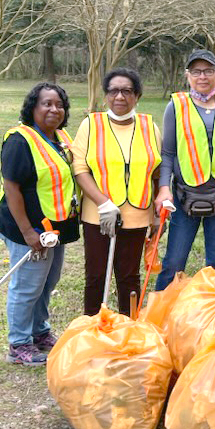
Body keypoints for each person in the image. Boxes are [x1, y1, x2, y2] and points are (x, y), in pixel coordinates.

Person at [0, 82, 80, 366]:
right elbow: (12, 188)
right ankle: (18, 344)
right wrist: (28, 232)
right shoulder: (20, 139)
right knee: (28, 285)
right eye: (46, 103)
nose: (54, 109)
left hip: (55, 229)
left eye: (59, 104)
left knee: (47, 281)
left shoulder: (61, 137)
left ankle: (39, 332)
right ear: (33, 107)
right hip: (28, 229)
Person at [154, 50, 215, 291]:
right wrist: (164, 189)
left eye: (208, 71)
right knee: (174, 260)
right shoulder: (176, 106)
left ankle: (214, 317)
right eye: (196, 71)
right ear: (187, 75)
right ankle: (160, 316)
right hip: (184, 193)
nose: (203, 76)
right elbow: (168, 153)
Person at [71, 68, 162, 316]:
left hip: (138, 216)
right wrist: (103, 203)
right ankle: (92, 329)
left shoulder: (150, 127)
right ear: (106, 95)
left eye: (126, 91)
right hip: (98, 216)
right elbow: (79, 169)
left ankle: (128, 329)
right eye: (113, 91)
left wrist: (155, 213)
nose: (119, 96)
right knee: (96, 276)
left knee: (129, 277)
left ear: (137, 96)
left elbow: (156, 172)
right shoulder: (91, 124)